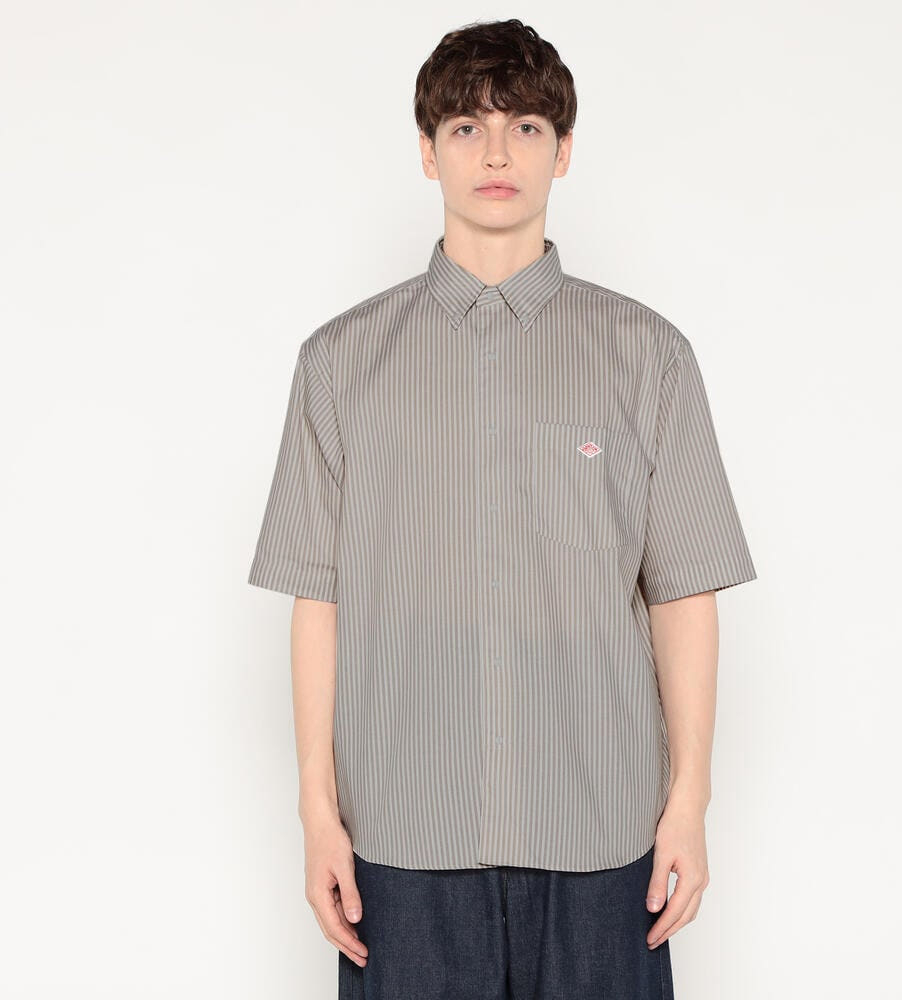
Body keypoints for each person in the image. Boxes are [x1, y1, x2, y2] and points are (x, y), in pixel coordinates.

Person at [247, 17, 757, 1000]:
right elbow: (318, 599)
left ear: (562, 151)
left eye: (524, 126)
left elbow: (682, 593)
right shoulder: (340, 363)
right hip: (400, 840)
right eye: (466, 127)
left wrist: (688, 802)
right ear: (426, 150)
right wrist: (317, 813)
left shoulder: (647, 356)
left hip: (603, 838)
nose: (495, 153)